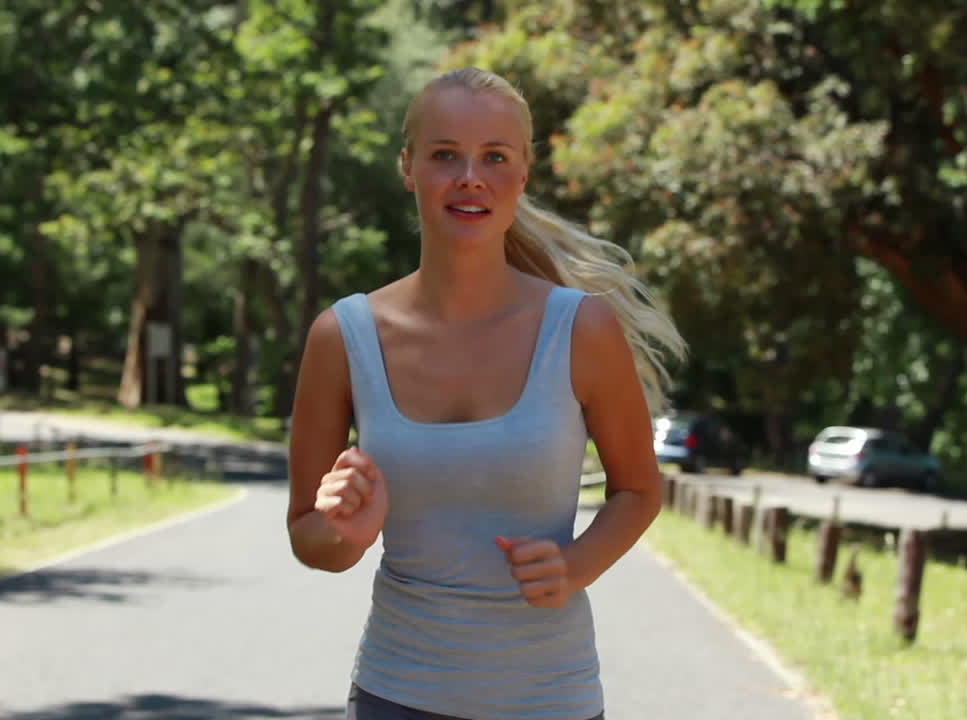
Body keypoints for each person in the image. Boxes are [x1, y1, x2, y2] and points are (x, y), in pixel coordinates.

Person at [286, 66, 686, 720]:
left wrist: (576, 566)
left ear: (523, 173)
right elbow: (308, 535)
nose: (470, 176)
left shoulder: (581, 329)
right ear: (408, 166)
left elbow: (639, 489)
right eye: (445, 155)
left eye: (494, 157)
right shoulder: (343, 337)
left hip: (551, 699)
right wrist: (343, 534)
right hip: (396, 693)